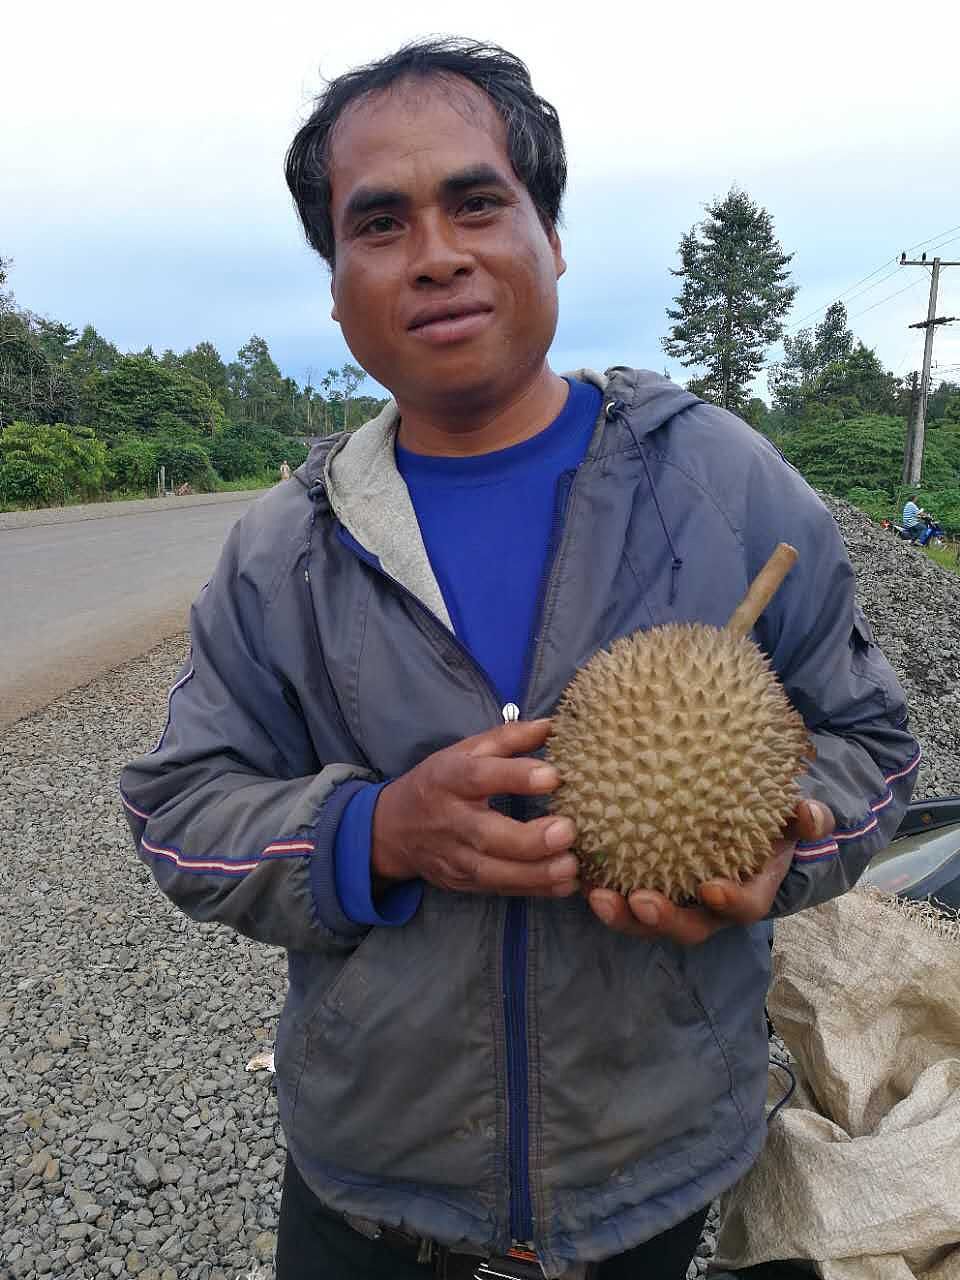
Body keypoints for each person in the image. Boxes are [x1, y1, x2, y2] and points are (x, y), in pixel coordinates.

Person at [119, 39, 920, 1280]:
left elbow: (876, 741)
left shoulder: (721, 483)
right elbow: (177, 809)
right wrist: (378, 830)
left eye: (477, 201)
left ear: (551, 238)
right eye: (377, 223)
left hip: (648, 1174)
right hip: (368, 1190)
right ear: (337, 289)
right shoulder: (288, 548)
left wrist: (791, 840)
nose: (435, 252)